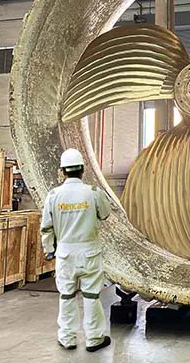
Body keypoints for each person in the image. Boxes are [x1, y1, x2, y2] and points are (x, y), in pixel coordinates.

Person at [40, 148, 112, 352]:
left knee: (66, 296)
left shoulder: (54, 196)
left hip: (65, 254)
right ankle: (94, 339)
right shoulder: (92, 193)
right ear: (82, 169)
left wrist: (48, 250)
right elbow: (105, 214)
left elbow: (46, 227)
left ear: (63, 171)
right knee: (91, 296)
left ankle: (67, 338)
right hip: (89, 253)